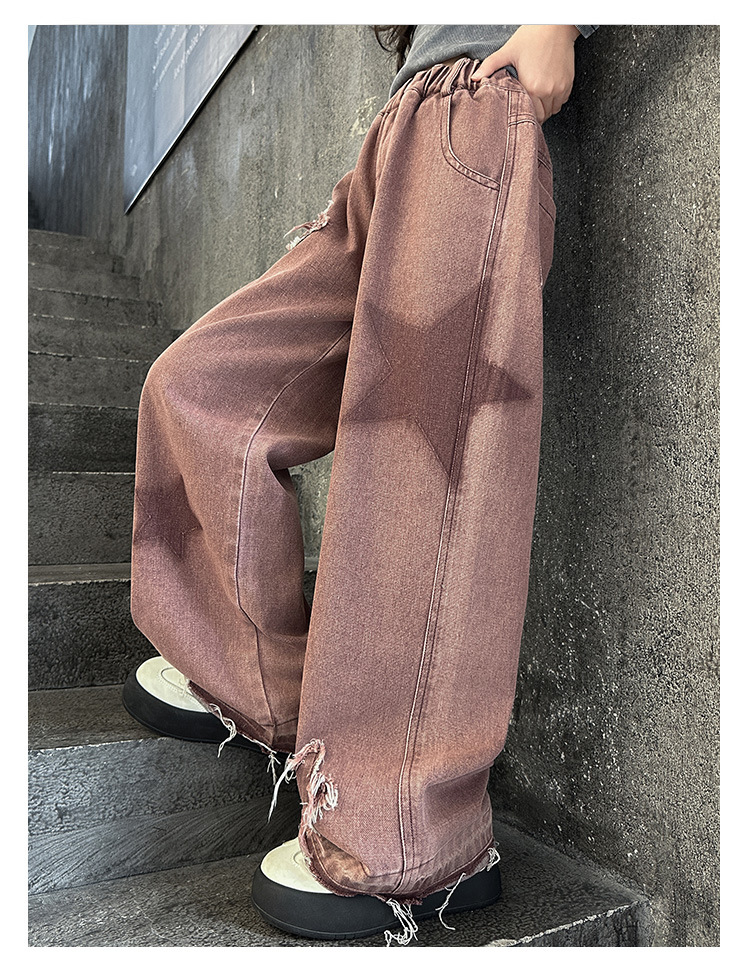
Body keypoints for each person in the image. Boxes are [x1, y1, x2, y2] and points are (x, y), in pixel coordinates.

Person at [122, 24, 598, 946]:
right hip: (402, 128)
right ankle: (256, 679)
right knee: (201, 387)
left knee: (420, 486)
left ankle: (407, 835)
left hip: (479, 110)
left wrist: (557, 17)